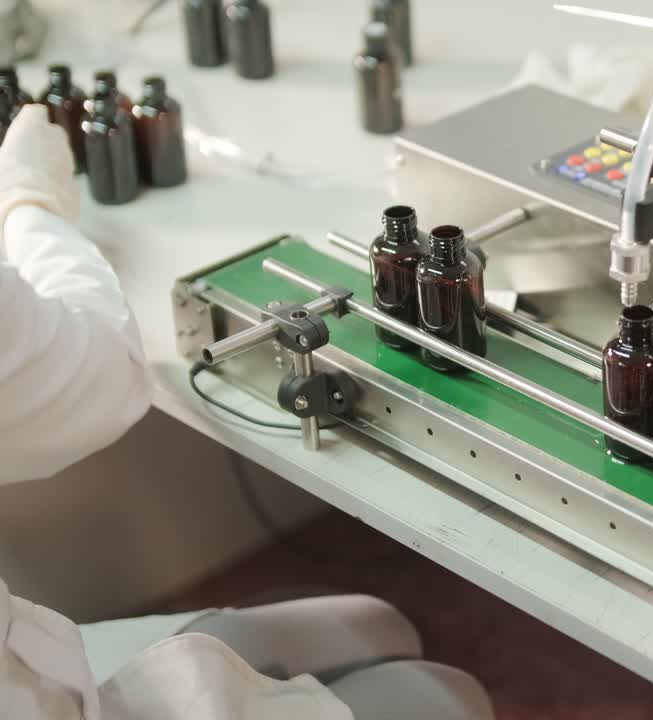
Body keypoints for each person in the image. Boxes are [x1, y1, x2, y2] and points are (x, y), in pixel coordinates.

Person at [0, 106, 494, 719]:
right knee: (454, 697)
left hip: (37, 658)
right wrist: (28, 207)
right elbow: (92, 377)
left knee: (380, 623)